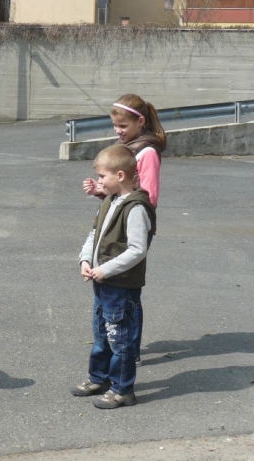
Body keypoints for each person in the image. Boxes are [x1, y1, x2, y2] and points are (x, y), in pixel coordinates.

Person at [83, 94, 166, 365]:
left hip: (134, 223)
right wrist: (101, 190)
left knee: (127, 290)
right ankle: (117, 342)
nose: (118, 132)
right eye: (115, 126)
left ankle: (131, 348)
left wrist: (125, 203)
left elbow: (148, 196)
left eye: (123, 126)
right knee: (114, 289)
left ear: (140, 122)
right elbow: (122, 188)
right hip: (120, 217)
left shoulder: (147, 151)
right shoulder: (129, 146)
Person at [71, 144, 156, 409]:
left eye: (102, 177)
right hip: (102, 284)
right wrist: (86, 259)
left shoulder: (136, 208)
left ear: (120, 175)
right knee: (101, 334)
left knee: (120, 339)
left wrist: (105, 269)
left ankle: (122, 389)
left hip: (120, 286)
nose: (98, 182)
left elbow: (137, 249)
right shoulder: (109, 200)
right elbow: (94, 235)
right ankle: (100, 378)